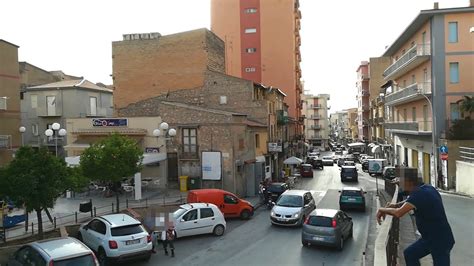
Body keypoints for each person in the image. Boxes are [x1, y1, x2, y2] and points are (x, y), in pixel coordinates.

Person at [376, 174, 455, 266]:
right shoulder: (428, 188)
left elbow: (398, 213)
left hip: (440, 241)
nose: (401, 189)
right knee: (410, 254)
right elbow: (410, 201)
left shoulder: (418, 195)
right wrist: (396, 204)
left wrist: (382, 209)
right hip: (430, 238)